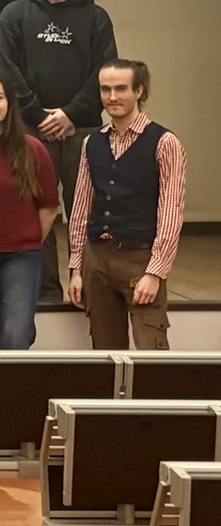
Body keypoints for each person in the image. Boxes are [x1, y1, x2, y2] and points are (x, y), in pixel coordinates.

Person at [0, 0, 118, 299]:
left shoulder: (97, 17)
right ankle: (45, 291)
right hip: (30, 130)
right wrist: (39, 115)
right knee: (36, 211)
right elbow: (6, 70)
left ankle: (92, 288)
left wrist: (69, 114)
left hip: (83, 129)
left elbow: (105, 72)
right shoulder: (14, 15)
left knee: (88, 212)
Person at [69, 60, 185, 351]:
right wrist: (76, 268)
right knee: (106, 354)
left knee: (151, 352)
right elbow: (81, 207)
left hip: (140, 258)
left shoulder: (164, 142)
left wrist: (155, 272)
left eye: (121, 89)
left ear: (139, 91)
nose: (112, 97)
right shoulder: (91, 142)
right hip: (97, 259)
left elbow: (171, 213)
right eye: (105, 89)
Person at [0, 72, 58, 352]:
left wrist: (26, 240)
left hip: (20, 257)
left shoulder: (33, 149)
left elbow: (49, 207)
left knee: (15, 335)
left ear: (9, 102)